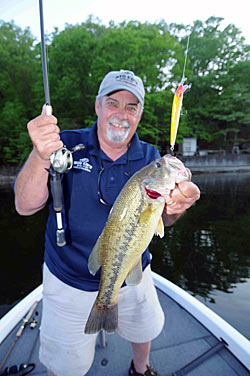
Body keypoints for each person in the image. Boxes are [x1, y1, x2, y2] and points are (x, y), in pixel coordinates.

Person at [14, 70, 200, 376]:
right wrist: (39, 155)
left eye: (132, 107)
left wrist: (179, 204)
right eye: (113, 103)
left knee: (144, 330)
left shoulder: (151, 156)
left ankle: (141, 369)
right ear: (98, 106)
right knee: (66, 366)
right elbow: (24, 206)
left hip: (133, 270)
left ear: (140, 113)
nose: (121, 115)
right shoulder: (65, 144)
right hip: (68, 277)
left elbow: (164, 217)